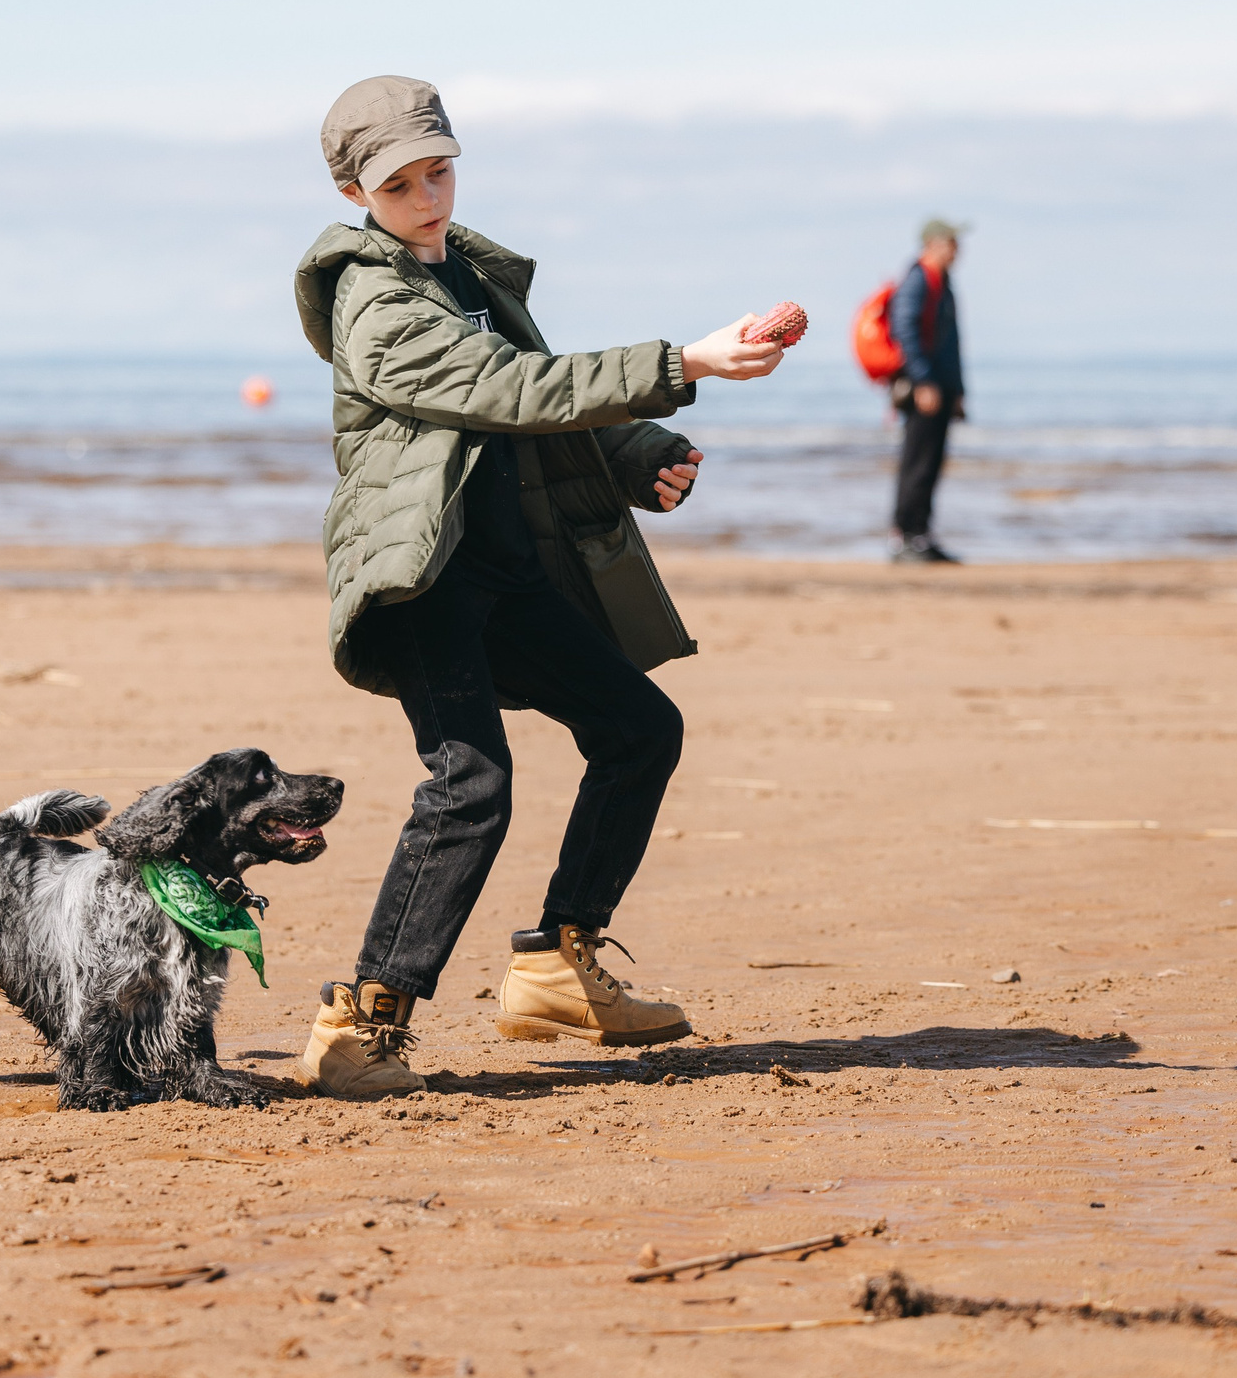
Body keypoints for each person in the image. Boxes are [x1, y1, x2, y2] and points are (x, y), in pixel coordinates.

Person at [289, 75, 786, 1099]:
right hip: (421, 575)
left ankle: (560, 964)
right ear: (351, 191)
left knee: (638, 726)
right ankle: (360, 1025)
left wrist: (638, 450)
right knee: (470, 784)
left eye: (439, 170)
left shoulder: (469, 275)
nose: (428, 196)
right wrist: (685, 361)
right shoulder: (373, 302)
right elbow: (509, 392)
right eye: (400, 184)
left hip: (505, 566)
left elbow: (542, 384)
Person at [890, 217, 968, 564]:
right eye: (952, 243)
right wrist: (923, 382)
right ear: (933, 244)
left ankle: (922, 535)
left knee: (932, 463)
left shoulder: (942, 281)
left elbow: (951, 343)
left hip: (942, 387)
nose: (958, 250)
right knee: (917, 464)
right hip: (924, 390)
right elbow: (903, 330)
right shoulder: (918, 279)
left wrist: (958, 390)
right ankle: (906, 538)